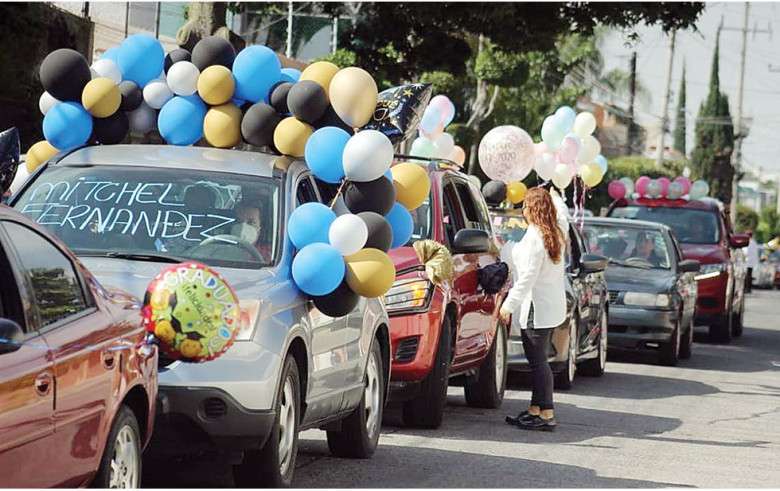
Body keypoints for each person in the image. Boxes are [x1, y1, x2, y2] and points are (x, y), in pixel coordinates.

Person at [500, 187, 568, 432]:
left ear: (533, 209)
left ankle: (547, 412)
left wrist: (508, 306)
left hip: (536, 309)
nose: (523, 210)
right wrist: (555, 192)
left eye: (526, 206)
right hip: (550, 307)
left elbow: (527, 278)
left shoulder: (536, 238)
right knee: (539, 360)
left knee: (538, 362)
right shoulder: (557, 231)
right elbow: (563, 212)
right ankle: (535, 409)